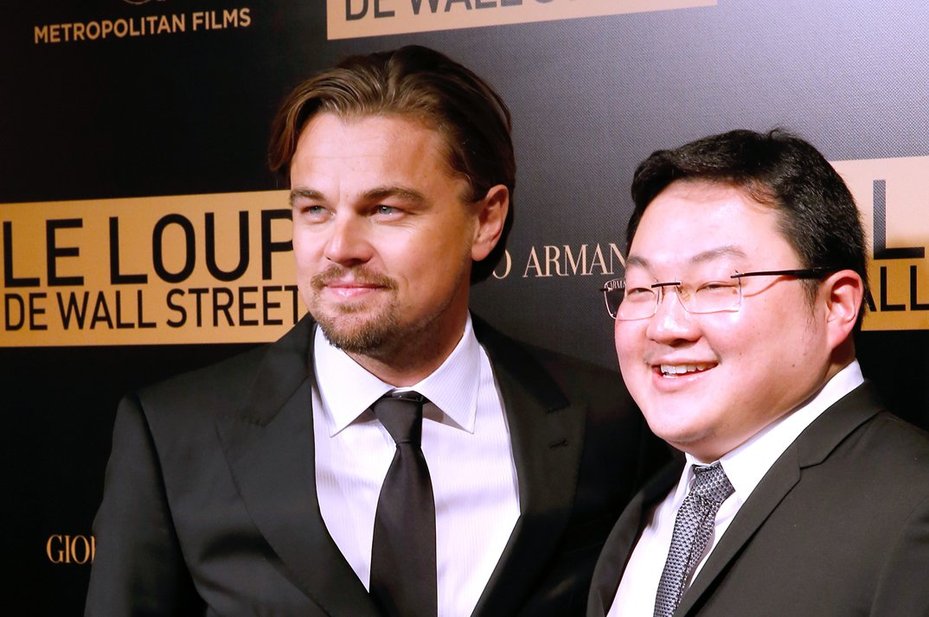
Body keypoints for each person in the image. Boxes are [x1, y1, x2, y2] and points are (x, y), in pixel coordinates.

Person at [84, 45, 659, 617]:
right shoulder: (174, 436)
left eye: (384, 209)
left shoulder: (611, 423)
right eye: (314, 210)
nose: (339, 247)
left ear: (485, 220)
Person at [588, 129, 929, 616]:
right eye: (642, 289)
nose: (666, 326)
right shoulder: (645, 507)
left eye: (714, 285)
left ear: (836, 304)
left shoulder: (913, 512)